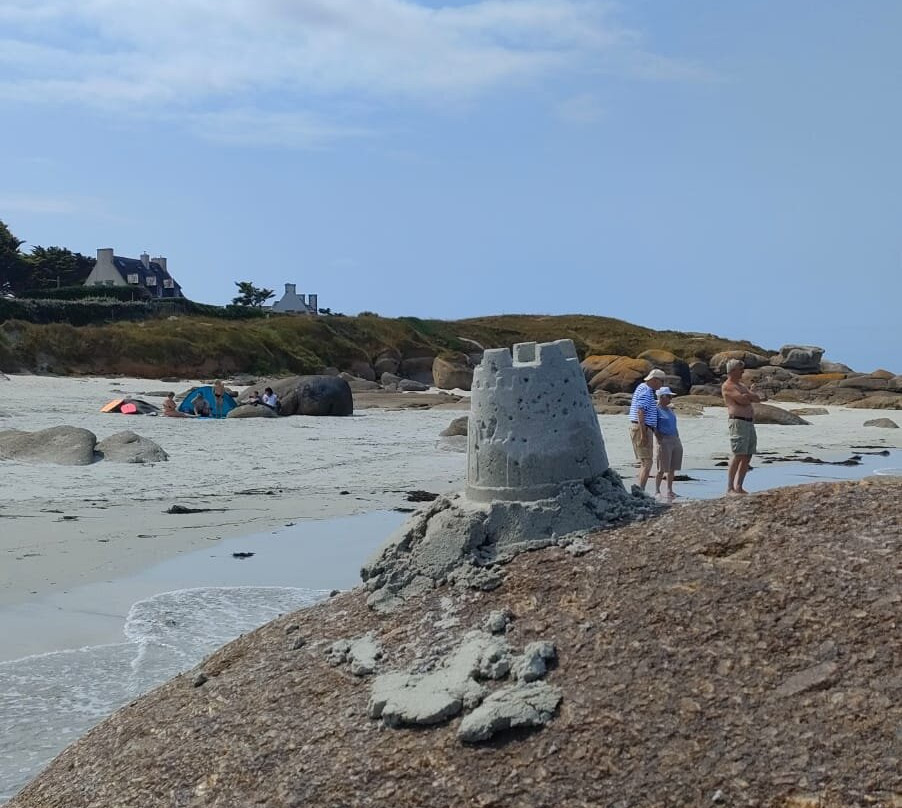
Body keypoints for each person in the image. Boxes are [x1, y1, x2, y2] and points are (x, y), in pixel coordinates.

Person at [721, 358, 765, 494]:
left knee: (748, 455)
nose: (743, 372)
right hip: (738, 422)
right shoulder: (728, 386)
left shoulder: (741, 386)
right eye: (740, 369)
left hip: (749, 422)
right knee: (739, 454)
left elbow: (756, 398)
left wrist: (748, 395)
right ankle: (730, 487)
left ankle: (739, 486)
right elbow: (743, 400)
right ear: (733, 370)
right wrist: (747, 396)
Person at [628, 368, 666, 491]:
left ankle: (640, 488)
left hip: (643, 427)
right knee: (647, 462)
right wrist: (643, 433)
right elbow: (641, 411)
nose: (662, 385)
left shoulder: (645, 389)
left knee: (645, 461)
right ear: (654, 380)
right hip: (641, 428)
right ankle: (640, 490)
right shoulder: (646, 390)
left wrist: (654, 431)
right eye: (662, 381)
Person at [653, 386, 683, 499]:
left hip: (674, 438)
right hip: (664, 440)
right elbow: (653, 425)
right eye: (668, 396)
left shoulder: (670, 410)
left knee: (672, 467)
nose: (670, 399)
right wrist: (658, 437)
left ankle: (670, 490)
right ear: (662, 397)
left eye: (671, 396)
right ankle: (657, 490)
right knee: (661, 468)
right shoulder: (656, 409)